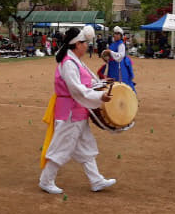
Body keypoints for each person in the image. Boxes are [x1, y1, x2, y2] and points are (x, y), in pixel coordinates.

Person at [39, 26, 116, 194]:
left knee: (85, 147)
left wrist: (102, 84)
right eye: (84, 43)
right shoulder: (68, 63)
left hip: (78, 111)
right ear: (77, 44)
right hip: (70, 112)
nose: (87, 45)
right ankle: (46, 180)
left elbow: (87, 83)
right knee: (61, 147)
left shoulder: (75, 61)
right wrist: (99, 97)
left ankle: (96, 180)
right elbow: (76, 89)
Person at [106, 26, 136, 92]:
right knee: (112, 82)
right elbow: (110, 55)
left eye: (117, 34)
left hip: (119, 66)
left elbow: (120, 56)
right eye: (115, 33)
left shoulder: (121, 44)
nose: (116, 35)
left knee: (121, 82)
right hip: (112, 66)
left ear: (121, 36)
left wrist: (110, 52)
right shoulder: (112, 44)